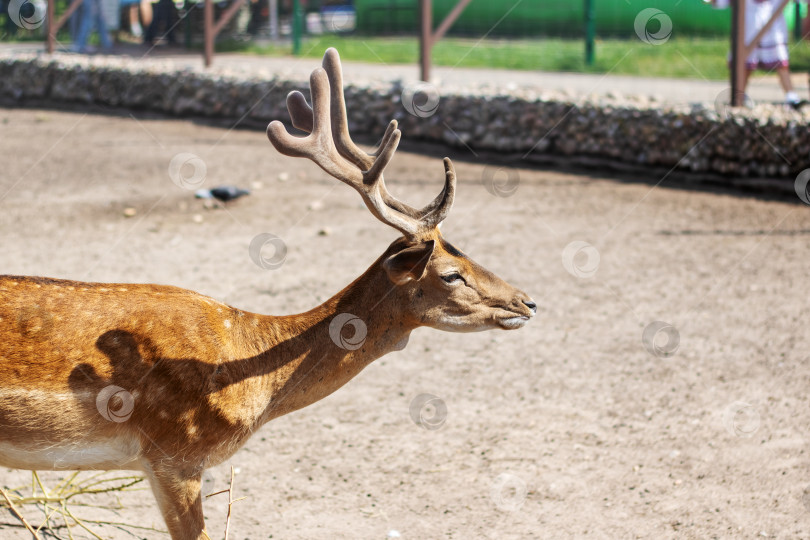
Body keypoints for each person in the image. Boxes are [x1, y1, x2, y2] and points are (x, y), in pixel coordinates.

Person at [712, 0, 804, 108]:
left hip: (773, 29)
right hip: (748, 28)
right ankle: (739, 96)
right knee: (744, 65)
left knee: (781, 64)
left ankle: (791, 96)